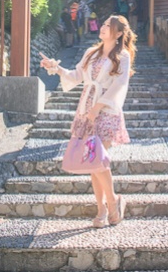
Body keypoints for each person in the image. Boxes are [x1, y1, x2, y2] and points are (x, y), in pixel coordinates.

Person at [40, 15, 136, 227]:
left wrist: (97, 108)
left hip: (107, 110)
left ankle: (109, 204)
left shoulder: (123, 55)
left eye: (107, 26)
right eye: (103, 24)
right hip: (85, 109)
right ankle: (106, 206)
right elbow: (76, 76)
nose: (102, 27)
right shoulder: (91, 52)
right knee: (93, 161)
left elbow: (119, 84)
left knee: (98, 160)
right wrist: (55, 68)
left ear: (119, 33)